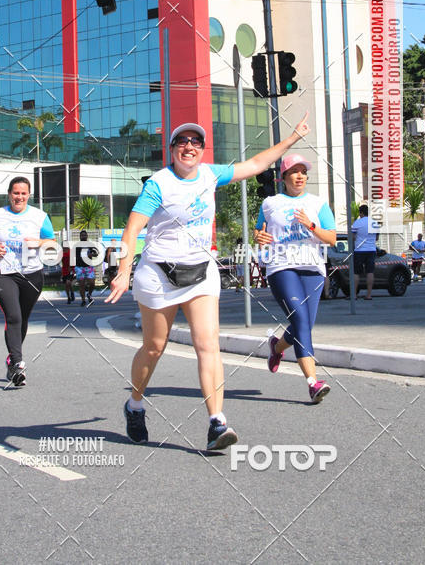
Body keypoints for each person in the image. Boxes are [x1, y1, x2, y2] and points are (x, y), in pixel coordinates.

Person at [107, 112, 310, 450]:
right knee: (155, 347)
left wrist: (292, 138)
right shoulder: (159, 183)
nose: (190, 147)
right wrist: (124, 270)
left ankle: (217, 423)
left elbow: (258, 163)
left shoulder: (210, 174)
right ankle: (135, 405)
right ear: (172, 149)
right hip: (158, 273)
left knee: (208, 345)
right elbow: (132, 230)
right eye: (182, 142)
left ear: (202, 149)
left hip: (201, 271)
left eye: (196, 142)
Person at [254, 153, 336, 404]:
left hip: (312, 269)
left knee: (304, 326)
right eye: (294, 172)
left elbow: (331, 238)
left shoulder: (318, 203)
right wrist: (259, 238)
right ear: (284, 177)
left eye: (303, 172)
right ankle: (313, 383)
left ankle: (277, 348)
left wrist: (311, 226)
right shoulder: (270, 203)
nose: (300, 176)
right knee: (300, 319)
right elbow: (259, 232)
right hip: (282, 267)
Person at [0, 176, 54, 386]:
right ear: (9, 194)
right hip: (3, 273)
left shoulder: (39, 216)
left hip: (31, 274)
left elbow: (51, 241)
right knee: (13, 316)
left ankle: (11, 358)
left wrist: (39, 242)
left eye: (23, 193)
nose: (19, 197)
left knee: (22, 318)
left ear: (29, 195)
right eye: (15, 193)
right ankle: (18, 363)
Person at [352, 204, 379, 300]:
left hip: (359, 250)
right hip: (371, 250)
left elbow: (353, 237)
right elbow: (376, 238)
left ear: (361, 213)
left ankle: (354, 295)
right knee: (370, 272)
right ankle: (369, 294)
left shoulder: (357, 223)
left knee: (356, 273)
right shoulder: (374, 223)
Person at [74, 229, 96, 307]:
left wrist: (92, 254)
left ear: (87, 236)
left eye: (84, 235)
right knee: (82, 284)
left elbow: (95, 253)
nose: (83, 236)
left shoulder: (90, 244)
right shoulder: (77, 245)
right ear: (80, 237)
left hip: (89, 267)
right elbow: (75, 256)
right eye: (82, 235)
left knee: (92, 283)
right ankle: (83, 300)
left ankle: (89, 295)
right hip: (80, 267)